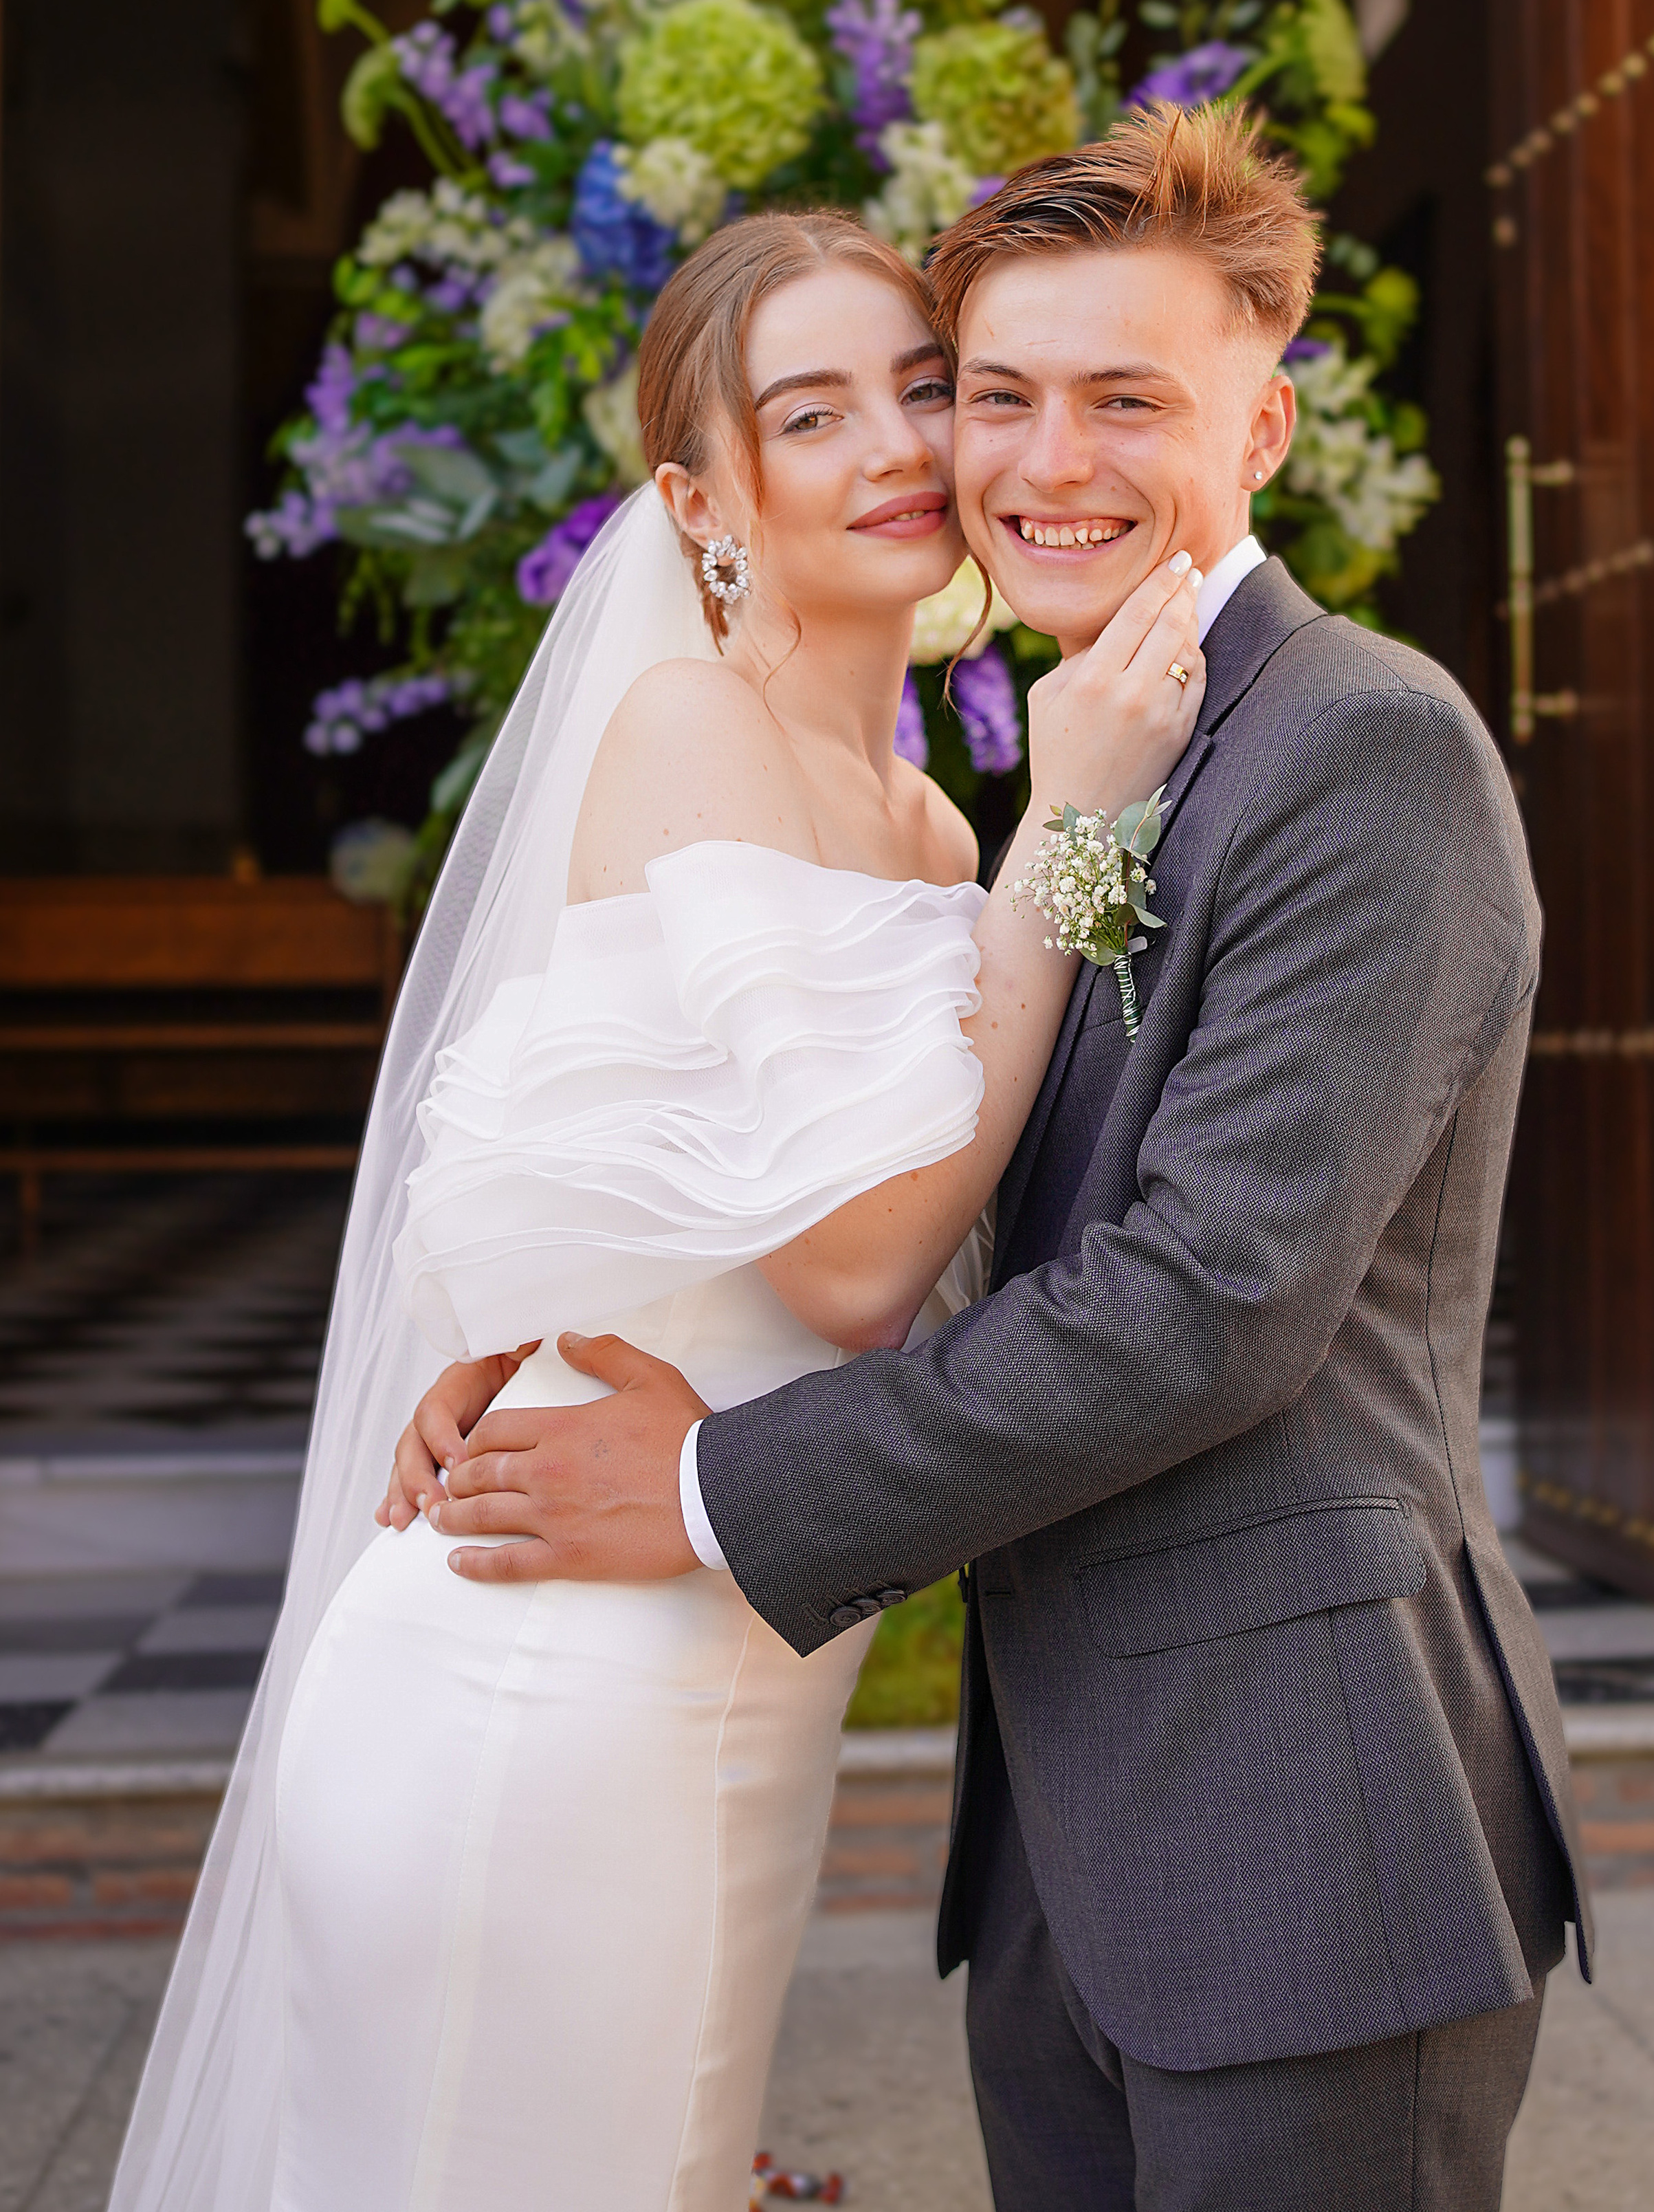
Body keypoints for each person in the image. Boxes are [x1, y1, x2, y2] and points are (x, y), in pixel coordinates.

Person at [420, 104, 1594, 2212]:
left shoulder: (1363, 745)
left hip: (1301, 1831)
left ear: (1265, 428)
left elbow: (1199, 1315)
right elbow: (946, 1220)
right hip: (1071, 1842)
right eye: (1000, 397)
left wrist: (698, 1485)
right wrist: (577, 1347)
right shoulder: (1089, 758)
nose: (1048, 462)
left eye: (1128, 399)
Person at [106, 204, 1204, 2212]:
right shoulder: (705, 734)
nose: (892, 444)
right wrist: (1078, 823)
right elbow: (859, 1270)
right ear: (704, 498)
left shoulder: (924, 821)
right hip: (556, 1683)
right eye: (813, 413)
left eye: (922, 386)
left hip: (727, 1659)